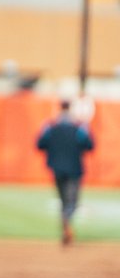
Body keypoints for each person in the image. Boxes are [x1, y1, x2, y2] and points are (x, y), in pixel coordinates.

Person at [36, 99, 95, 246]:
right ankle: (67, 220)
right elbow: (89, 145)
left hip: (56, 167)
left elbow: (40, 144)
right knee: (72, 202)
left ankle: (65, 228)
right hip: (74, 168)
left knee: (63, 200)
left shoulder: (50, 126)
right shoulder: (79, 127)